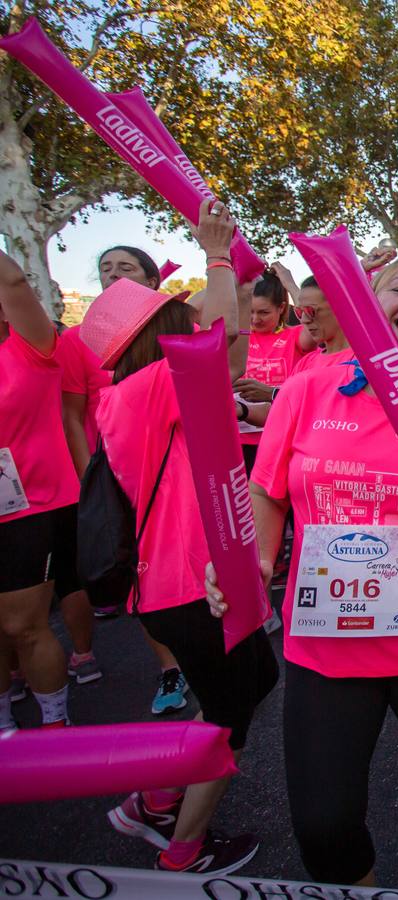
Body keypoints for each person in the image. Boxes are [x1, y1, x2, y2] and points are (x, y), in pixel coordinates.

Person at [209, 251, 398, 892]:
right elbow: (267, 489)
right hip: (327, 647)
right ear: (368, 307)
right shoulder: (306, 388)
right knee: (323, 828)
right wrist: (255, 562)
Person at [91, 200, 277, 875]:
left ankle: (155, 799)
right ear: (162, 332)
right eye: (181, 318)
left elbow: (227, 368)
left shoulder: (137, 393)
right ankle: (182, 850)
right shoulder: (147, 388)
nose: (193, 323)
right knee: (233, 712)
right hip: (187, 585)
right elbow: (224, 344)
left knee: (253, 683)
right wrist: (219, 255)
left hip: (188, 582)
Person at [53, 246, 192, 708]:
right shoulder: (79, 343)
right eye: (104, 268)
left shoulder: (167, 351)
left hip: (171, 471)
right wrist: (94, 484)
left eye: (125, 268)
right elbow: (73, 415)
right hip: (123, 475)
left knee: (174, 571)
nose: (112, 274)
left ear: (152, 282)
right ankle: (171, 670)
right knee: (145, 572)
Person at [0, 248, 80, 733]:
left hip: (31, 507)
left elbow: (12, 282)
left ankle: (55, 724)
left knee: (22, 626)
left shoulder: (30, 348)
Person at [231, 268, 316, 469]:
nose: (255, 319)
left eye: (263, 312)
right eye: (250, 311)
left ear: (281, 308)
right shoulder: (238, 339)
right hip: (238, 441)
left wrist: (289, 283)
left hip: (280, 437)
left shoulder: (294, 337)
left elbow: (314, 320)